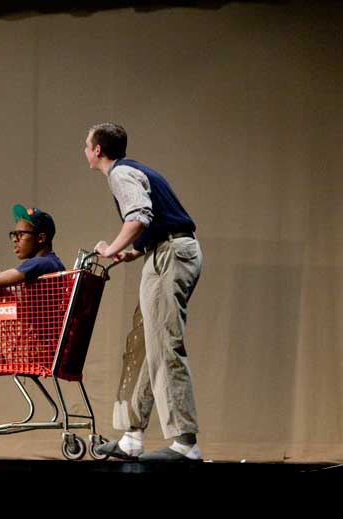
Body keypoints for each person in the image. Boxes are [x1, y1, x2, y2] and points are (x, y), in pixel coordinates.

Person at [86, 123, 204, 462]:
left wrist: (111, 249)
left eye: (87, 145)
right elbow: (157, 219)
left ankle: (186, 443)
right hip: (162, 251)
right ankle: (132, 436)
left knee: (165, 344)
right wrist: (134, 251)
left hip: (171, 255)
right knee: (145, 344)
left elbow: (139, 216)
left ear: (97, 150)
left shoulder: (120, 173)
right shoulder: (137, 170)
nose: (85, 151)